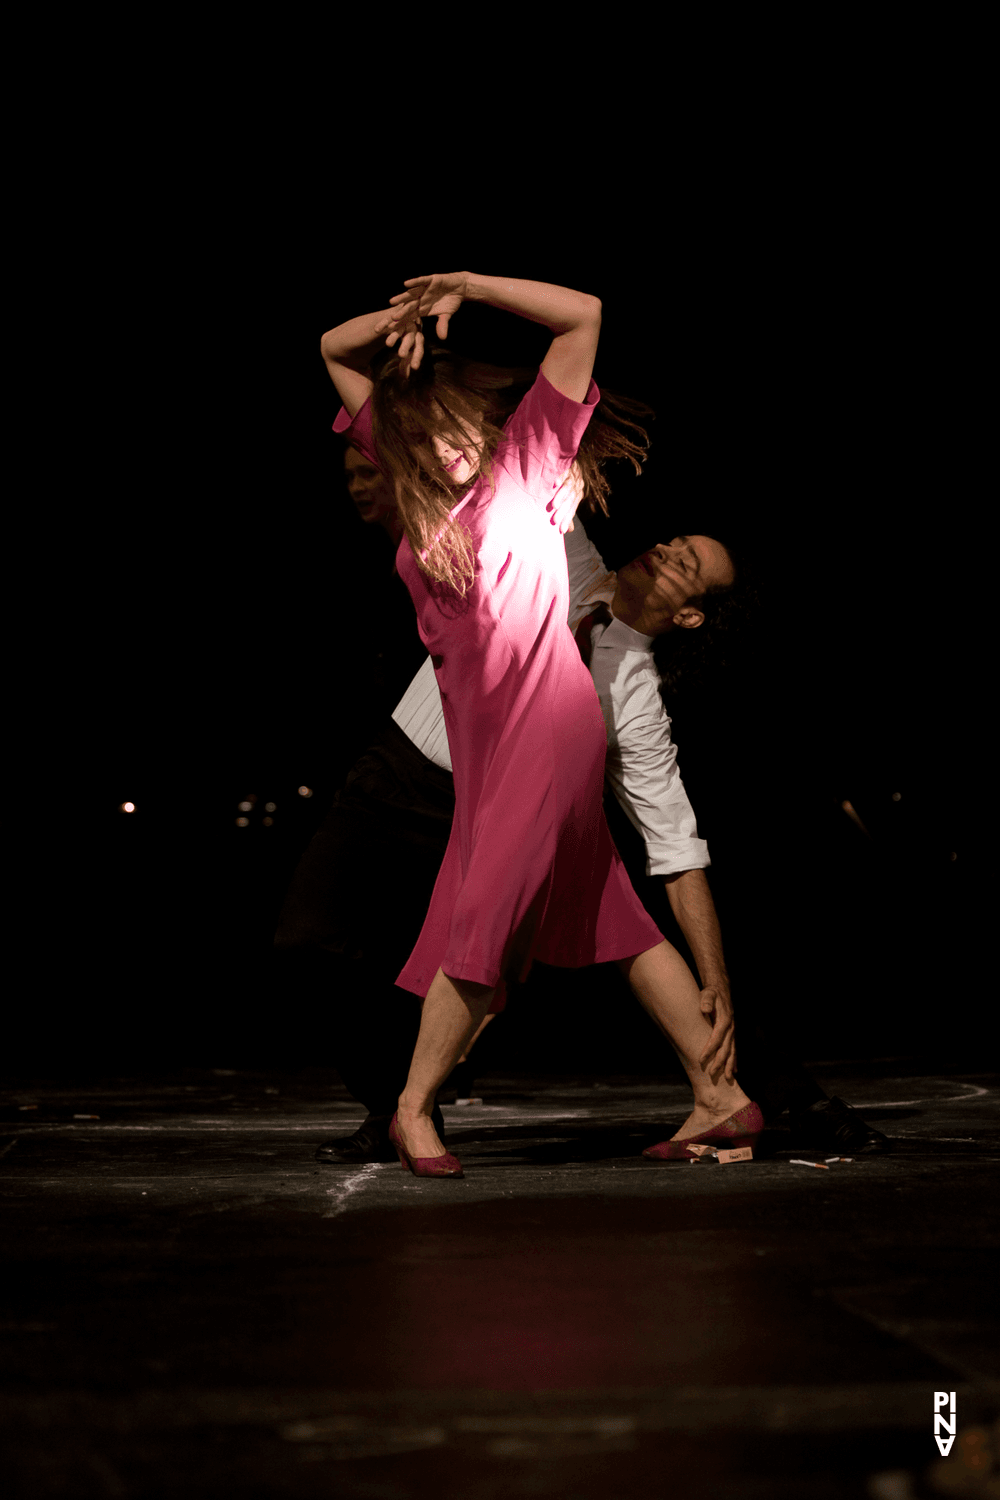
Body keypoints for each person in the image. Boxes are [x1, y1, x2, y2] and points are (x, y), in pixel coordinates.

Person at [316, 270, 760, 1178]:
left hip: (546, 723)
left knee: (485, 916)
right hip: (488, 739)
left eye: (459, 425)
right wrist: (407, 317)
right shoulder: (413, 484)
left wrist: (467, 285)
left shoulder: (528, 459)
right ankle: (721, 1098)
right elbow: (332, 347)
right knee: (613, 915)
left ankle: (412, 1107)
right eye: (431, 427)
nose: (446, 438)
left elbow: (586, 313)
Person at [278, 511, 887, 1163]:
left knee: (628, 933)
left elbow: (677, 851)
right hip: (403, 776)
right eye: (672, 541)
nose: (662, 551)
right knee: (310, 939)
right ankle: (393, 1101)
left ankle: (780, 1096)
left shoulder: (635, 697)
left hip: (520, 819)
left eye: (686, 563)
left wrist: (717, 978)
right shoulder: (564, 557)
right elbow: (533, 462)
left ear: (690, 616)